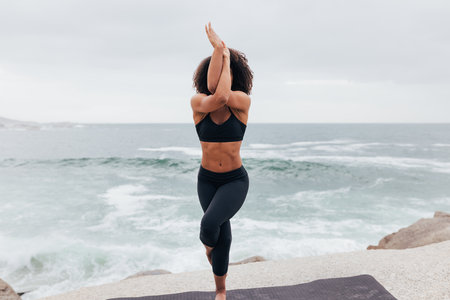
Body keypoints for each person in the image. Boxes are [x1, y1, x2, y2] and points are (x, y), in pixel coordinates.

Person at [190, 22, 253, 300]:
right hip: (207, 180)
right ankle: (221, 290)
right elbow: (216, 93)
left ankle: (210, 251)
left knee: (209, 226)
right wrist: (219, 50)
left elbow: (224, 94)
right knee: (221, 235)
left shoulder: (241, 102)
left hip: (234, 180)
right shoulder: (198, 104)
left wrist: (224, 54)